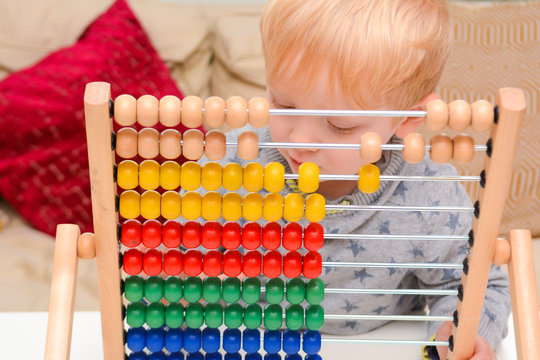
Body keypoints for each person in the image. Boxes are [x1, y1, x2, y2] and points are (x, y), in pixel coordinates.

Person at [201, 0, 510, 358]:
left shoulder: (428, 193)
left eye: (339, 125)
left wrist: (460, 332)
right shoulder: (240, 166)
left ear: (406, 120)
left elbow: (476, 283)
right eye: (284, 104)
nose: (298, 140)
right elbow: (180, 241)